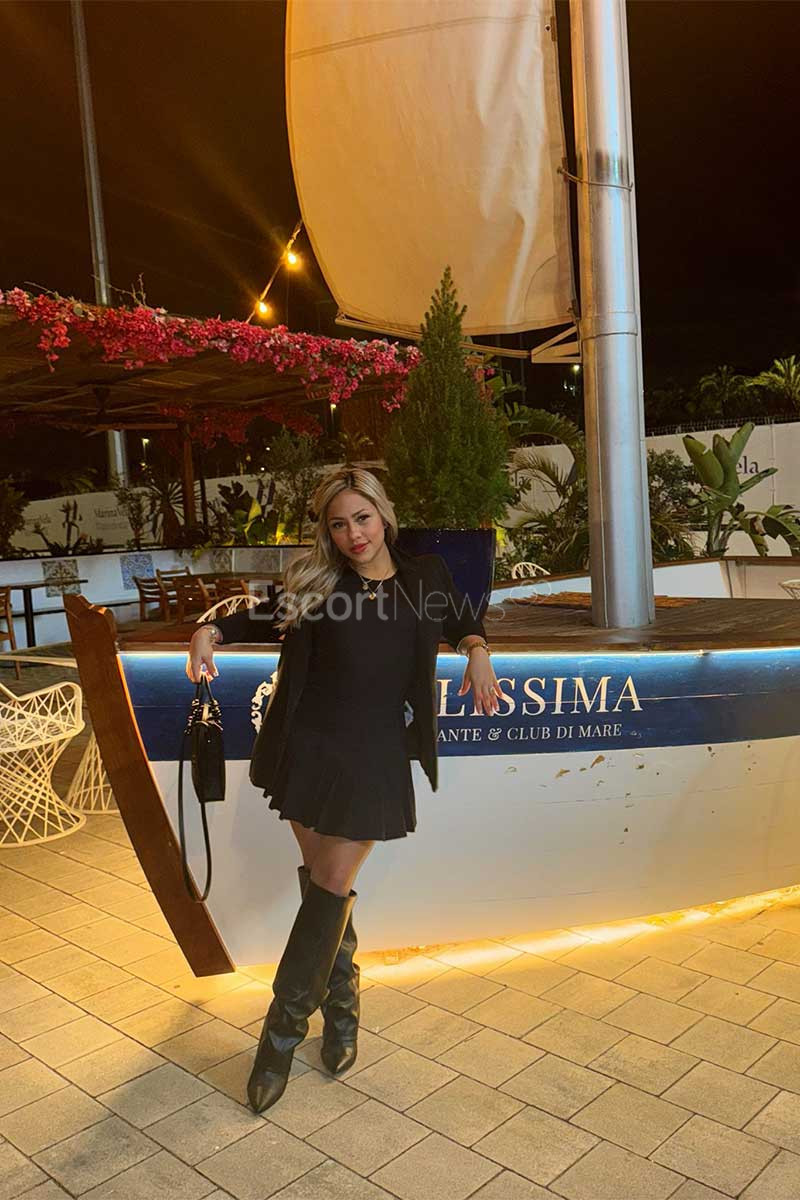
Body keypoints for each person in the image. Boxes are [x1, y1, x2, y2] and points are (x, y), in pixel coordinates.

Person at [185, 466, 502, 1114]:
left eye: (362, 518)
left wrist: (477, 650)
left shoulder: (425, 577)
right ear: (328, 532)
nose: (354, 533)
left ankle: (278, 1041)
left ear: (383, 515)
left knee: (330, 884)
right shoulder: (320, 582)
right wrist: (208, 631)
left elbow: (462, 617)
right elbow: (261, 615)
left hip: (377, 750)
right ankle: (343, 1008)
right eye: (339, 524)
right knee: (323, 889)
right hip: (307, 745)